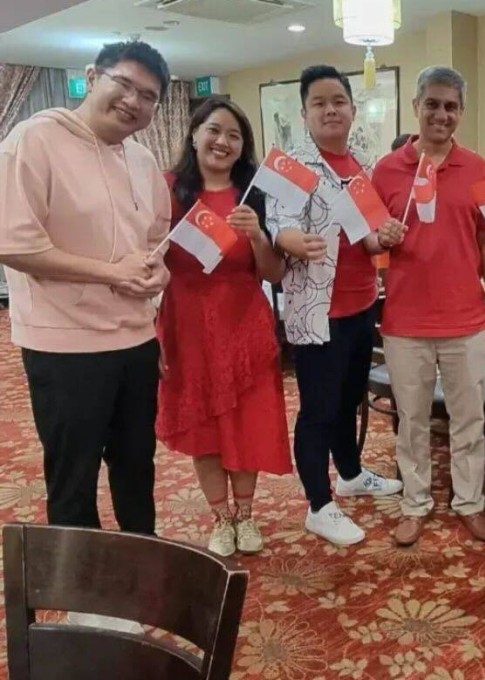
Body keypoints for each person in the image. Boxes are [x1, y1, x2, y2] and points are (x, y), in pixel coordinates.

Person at [0, 41, 171, 535]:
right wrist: (113, 273)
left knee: (137, 463)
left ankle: (142, 556)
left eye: (149, 96)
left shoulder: (142, 161)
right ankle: (87, 593)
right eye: (124, 85)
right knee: (74, 475)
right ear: (93, 78)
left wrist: (159, 276)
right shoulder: (34, 140)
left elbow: (157, 243)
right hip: (65, 346)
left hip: (136, 341)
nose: (134, 102)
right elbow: (14, 245)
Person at [370, 66, 485, 547]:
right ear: (416, 107)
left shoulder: (477, 168)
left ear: (461, 113)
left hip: (466, 319)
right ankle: (415, 502)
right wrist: (379, 238)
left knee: (471, 420)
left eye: (451, 106)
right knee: (412, 421)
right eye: (432, 104)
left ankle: (469, 501)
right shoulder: (386, 171)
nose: (441, 114)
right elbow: (367, 243)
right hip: (405, 322)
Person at [268, 65, 402, 548]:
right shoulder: (292, 165)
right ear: (305, 113)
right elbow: (275, 226)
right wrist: (291, 241)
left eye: (338, 101)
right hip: (314, 310)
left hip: (362, 303)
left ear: (351, 108)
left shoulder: (363, 163)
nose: (330, 110)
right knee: (319, 410)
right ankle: (319, 506)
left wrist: (382, 236)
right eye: (319, 102)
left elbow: (368, 237)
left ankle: (349, 473)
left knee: (349, 400)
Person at [158, 98, 291, 557]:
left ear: (243, 147)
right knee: (205, 424)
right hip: (187, 323)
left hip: (244, 326)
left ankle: (247, 516)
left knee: (246, 421)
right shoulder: (168, 190)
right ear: (194, 134)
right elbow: (151, 256)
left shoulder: (255, 193)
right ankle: (221, 517)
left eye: (235, 136)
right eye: (214, 130)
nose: (223, 142)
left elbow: (274, 274)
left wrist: (256, 235)